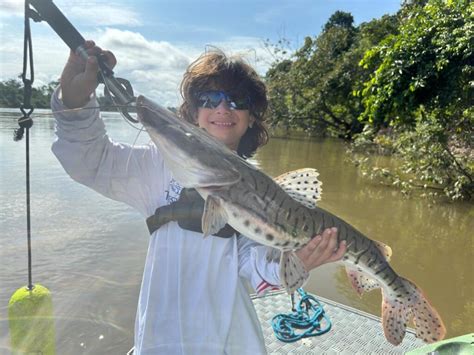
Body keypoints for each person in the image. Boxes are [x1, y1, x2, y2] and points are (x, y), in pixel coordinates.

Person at [51, 40, 347, 354]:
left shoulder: (266, 196)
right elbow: (89, 162)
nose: (222, 108)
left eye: (237, 99)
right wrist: (74, 103)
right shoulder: (156, 167)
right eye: (210, 98)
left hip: (231, 344)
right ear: (193, 113)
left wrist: (298, 262)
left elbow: (259, 265)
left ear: (250, 117)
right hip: (159, 343)